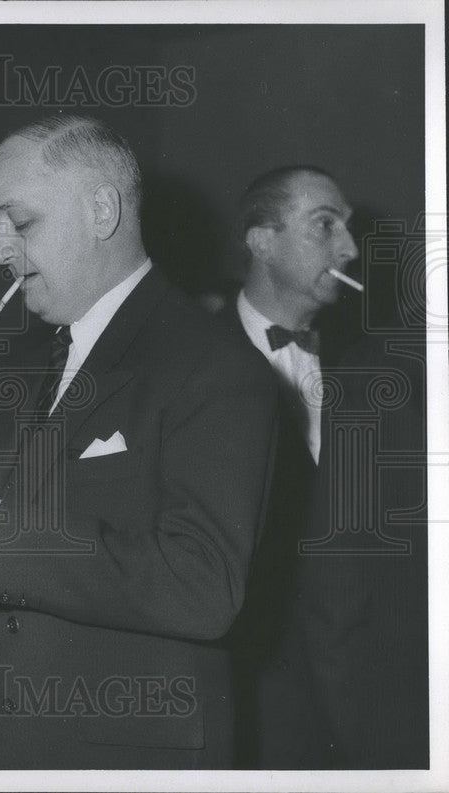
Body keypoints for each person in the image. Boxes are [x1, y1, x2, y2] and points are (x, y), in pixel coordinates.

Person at [0, 116, 278, 769]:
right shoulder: (3, 374)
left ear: (102, 210)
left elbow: (204, 587)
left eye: (21, 223)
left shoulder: (212, 366)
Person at [218, 166, 359, 767]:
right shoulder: (185, 360)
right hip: (243, 693)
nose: (350, 249)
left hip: (362, 689)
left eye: (348, 230)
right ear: (261, 239)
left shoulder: (388, 367)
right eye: (325, 226)